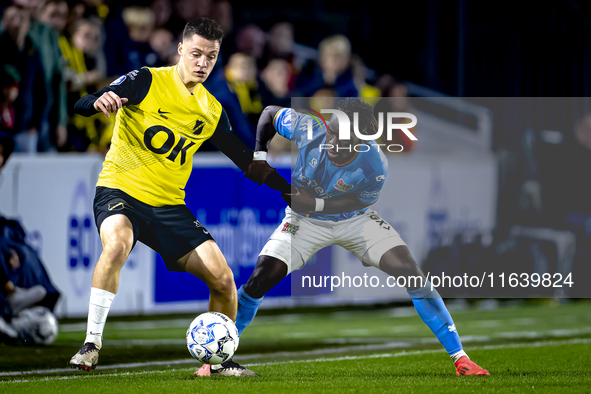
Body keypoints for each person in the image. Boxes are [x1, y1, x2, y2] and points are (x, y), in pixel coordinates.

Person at [69, 17, 289, 376]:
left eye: (212, 56)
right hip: (120, 190)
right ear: (181, 50)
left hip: (169, 206)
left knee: (223, 280)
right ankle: (91, 344)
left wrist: (288, 189)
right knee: (117, 244)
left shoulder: (211, 108)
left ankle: (215, 364)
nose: (203, 63)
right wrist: (98, 100)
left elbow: (244, 159)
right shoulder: (146, 80)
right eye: (197, 54)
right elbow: (82, 102)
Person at [223, 98, 490, 377]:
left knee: (412, 273)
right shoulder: (309, 127)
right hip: (304, 221)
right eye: (332, 132)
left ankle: (461, 359)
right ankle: (217, 358)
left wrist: (316, 204)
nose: (333, 142)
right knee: (261, 278)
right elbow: (268, 114)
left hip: (354, 219)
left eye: (344, 138)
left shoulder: (375, 163)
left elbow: (354, 202)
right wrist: (260, 156)